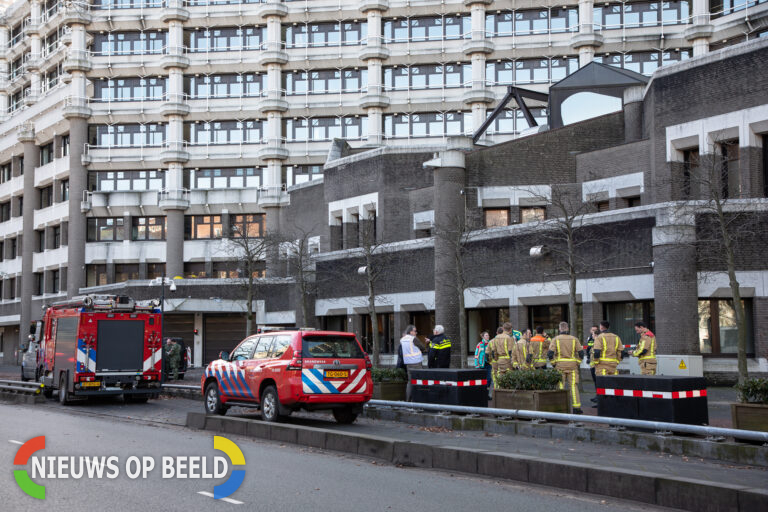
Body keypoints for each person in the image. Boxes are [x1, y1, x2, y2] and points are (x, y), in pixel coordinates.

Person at [547, 321, 584, 414]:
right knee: (573, 386)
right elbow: (581, 353)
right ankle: (576, 408)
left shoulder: (555, 339)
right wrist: (577, 363)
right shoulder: (574, 339)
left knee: (560, 386)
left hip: (560, 366)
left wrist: (553, 364)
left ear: (560, 329)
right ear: (567, 328)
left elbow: (550, 354)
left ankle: (561, 408)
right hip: (572, 366)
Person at [400, 325, 424, 401]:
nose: (416, 333)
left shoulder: (402, 339)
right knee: (419, 380)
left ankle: (408, 400)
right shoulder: (413, 339)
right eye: (415, 331)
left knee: (410, 381)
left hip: (408, 363)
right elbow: (422, 347)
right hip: (416, 362)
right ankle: (417, 399)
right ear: (410, 332)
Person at [474, 331, 493, 397]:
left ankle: (486, 394)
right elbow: (476, 355)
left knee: (489, 379)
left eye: (488, 335)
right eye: (486, 335)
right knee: (482, 380)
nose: (488, 336)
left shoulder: (490, 344)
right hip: (481, 365)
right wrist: (477, 365)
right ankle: (482, 394)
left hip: (489, 364)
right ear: (483, 336)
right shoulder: (480, 344)